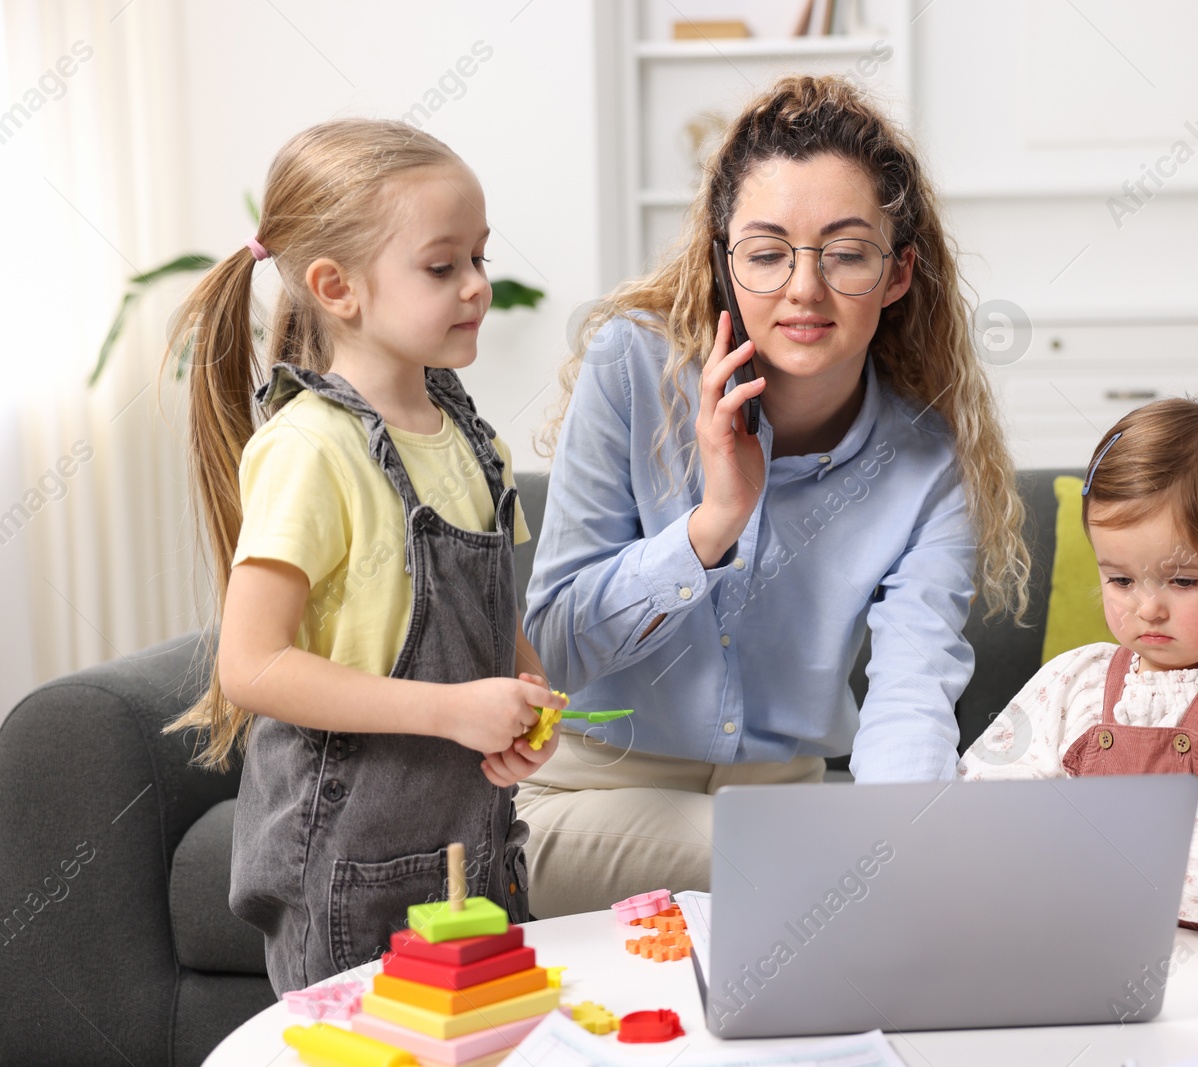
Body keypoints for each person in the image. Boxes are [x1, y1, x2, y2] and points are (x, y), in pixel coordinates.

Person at [520, 75, 1030, 916]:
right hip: (588, 803)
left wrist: (908, 833)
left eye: (846, 252)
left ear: (897, 272)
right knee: (847, 867)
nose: (803, 289)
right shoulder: (632, 370)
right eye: (766, 253)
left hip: (780, 799)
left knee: (915, 851)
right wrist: (711, 524)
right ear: (724, 262)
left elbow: (911, 693)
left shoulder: (926, 458)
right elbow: (556, 649)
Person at [164, 118, 565, 993]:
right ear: (336, 287)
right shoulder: (311, 449)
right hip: (349, 872)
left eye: (480, 259)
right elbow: (252, 664)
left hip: (476, 845)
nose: (477, 288)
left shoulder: (474, 440)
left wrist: (525, 701)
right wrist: (452, 709)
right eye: (441, 265)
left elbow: (497, 618)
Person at [958, 398, 1198, 966]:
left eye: (1182, 580)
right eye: (1119, 579)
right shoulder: (1076, 680)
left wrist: (1072, 837)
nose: (1147, 609)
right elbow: (983, 799)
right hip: (1084, 948)